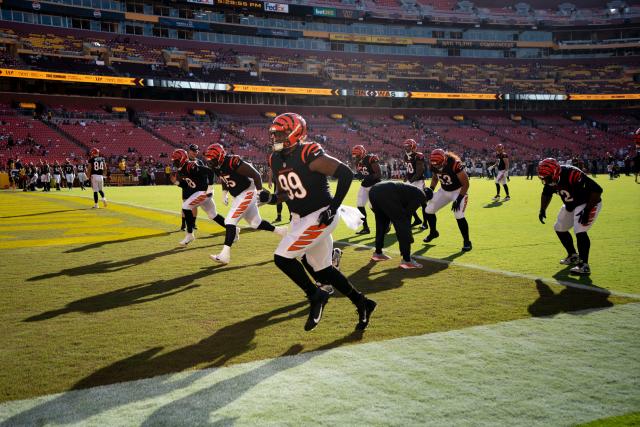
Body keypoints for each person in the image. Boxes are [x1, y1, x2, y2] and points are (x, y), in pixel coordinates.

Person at [260, 112, 376, 332]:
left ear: (295, 132)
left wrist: (333, 208)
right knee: (323, 271)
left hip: (320, 215)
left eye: (281, 133)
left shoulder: (307, 152)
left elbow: (345, 174)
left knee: (282, 258)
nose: (275, 138)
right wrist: (272, 198)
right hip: (299, 219)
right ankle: (363, 303)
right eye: (274, 134)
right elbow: (286, 192)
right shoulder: (275, 159)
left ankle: (316, 296)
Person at [203, 143, 285, 265]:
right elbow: (224, 178)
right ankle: (280, 231)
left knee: (230, 221)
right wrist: (224, 192)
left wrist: (260, 192)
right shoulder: (217, 165)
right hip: (239, 195)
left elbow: (256, 175)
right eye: (208, 160)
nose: (210, 162)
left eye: (212, 159)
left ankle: (225, 255)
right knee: (255, 223)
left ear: (220, 156)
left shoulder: (232, 161)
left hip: (247, 191)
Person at [537, 158, 603, 276]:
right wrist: (542, 209)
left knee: (580, 230)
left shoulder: (572, 173)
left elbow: (597, 190)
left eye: (547, 177)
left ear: (555, 172)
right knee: (559, 227)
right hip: (571, 204)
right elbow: (546, 193)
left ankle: (584, 265)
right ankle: (573, 255)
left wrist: (587, 210)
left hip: (588, 202)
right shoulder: (551, 179)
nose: (545, 180)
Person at [170, 149, 228, 246]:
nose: (174, 162)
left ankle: (189, 234)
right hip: (201, 193)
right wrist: (176, 182)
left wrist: (210, 187)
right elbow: (187, 185)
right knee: (213, 215)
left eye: (176, 160)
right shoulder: (182, 169)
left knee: (185, 206)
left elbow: (210, 172)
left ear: (182, 159)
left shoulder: (191, 165)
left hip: (204, 192)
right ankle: (233, 229)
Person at [369, 181, 432, 269]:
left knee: (381, 223)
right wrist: (409, 235)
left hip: (374, 190)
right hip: (387, 193)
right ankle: (407, 260)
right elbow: (406, 216)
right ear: (427, 198)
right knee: (402, 224)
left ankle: (378, 253)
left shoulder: (412, 191)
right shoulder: (421, 195)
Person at [423, 149, 472, 252]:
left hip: (458, 191)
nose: (438, 167)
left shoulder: (454, 163)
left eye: (439, 165)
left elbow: (466, 183)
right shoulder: (434, 164)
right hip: (444, 190)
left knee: (458, 214)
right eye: (435, 165)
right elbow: (435, 178)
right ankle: (433, 232)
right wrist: (431, 189)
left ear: (445, 160)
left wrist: (459, 199)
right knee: (428, 210)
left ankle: (467, 241)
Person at [352, 144, 382, 235]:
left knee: (373, 207)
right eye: (354, 155)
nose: (355, 157)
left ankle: (386, 222)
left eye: (357, 155)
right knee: (359, 205)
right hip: (365, 185)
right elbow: (362, 174)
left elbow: (378, 174)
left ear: (362, 153)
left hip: (375, 185)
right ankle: (365, 228)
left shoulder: (371, 158)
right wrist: (358, 176)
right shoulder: (357, 162)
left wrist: (366, 177)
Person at [403, 138, 428, 229]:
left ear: (413, 147)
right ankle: (417, 219)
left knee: (423, 203)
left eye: (408, 146)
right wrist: (406, 177)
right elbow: (409, 169)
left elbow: (420, 172)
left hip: (418, 182)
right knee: (407, 202)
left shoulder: (418, 155)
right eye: (405, 147)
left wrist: (410, 181)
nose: (406, 148)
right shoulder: (406, 156)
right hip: (411, 181)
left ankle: (425, 223)